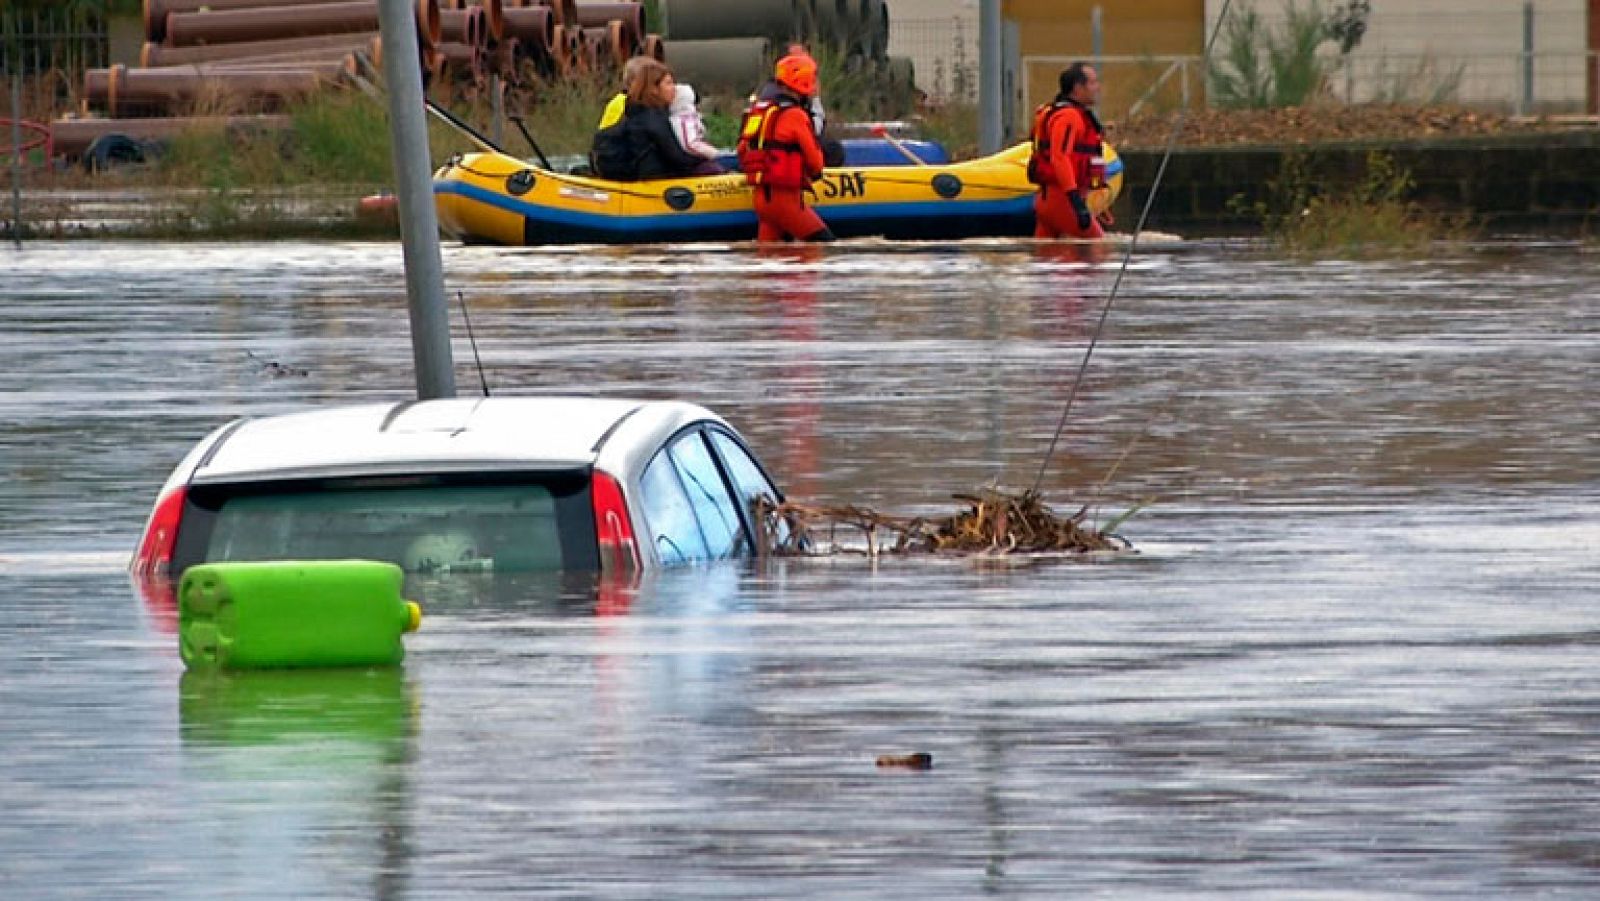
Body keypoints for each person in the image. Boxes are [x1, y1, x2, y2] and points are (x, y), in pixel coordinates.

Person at [737, 53, 834, 242]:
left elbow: (743, 149)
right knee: (824, 247)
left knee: (770, 255)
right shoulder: (796, 115)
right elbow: (816, 163)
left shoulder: (760, 111)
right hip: (786, 201)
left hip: (762, 201)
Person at [1029, 62, 1113, 240]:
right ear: (1078, 88)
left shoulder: (1059, 112)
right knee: (1099, 248)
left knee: (1047, 254)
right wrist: (1076, 201)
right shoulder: (1069, 117)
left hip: (1047, 199)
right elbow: (1059, 157)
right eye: (1093, 83)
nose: (1097, 88)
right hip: (1062, 201)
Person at [590, 58, 706, 181]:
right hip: (653, 179)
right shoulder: (653, 119)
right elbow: (679, 159)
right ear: (653, 89)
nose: (675, 88)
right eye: (669, 83)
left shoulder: (638, 112)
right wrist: (710, 158)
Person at [668, 83, 725, 175]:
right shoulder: (684, 119)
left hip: (698, 159)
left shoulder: (685, 117)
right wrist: (716, 154)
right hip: (696, 162)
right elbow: (690, 144)